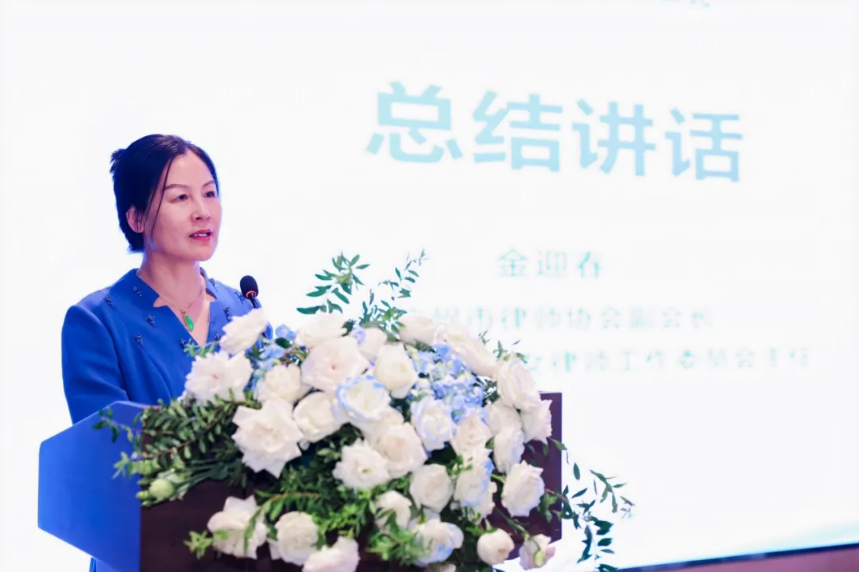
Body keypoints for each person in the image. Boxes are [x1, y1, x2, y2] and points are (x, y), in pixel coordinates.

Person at [61, 134, 264, 426]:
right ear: (137, 218)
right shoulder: (97, 322)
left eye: (209, 194)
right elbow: (105, 442)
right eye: (181, 197)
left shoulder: (245, 310)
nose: (203, 212)